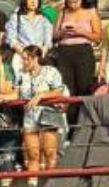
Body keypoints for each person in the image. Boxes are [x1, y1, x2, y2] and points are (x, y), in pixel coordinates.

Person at [1, 46, 67, 176]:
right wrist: (3, 97)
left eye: (26, 59)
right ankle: (33, 183)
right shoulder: (21, 75)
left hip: (49, 114)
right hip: (30, 116)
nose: (23, 62)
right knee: (32, 154)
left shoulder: (51, 71)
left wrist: (41, 95)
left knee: (49, 152)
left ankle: (50, 183)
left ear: (35, 58)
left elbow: (59, 91)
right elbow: (17, 94)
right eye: (23, 59)